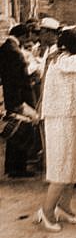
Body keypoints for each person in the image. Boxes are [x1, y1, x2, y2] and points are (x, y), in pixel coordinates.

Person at [34, 28, 76, 232]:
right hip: (61, 119)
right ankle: (47, 212)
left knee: (72, 166)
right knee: (62, 168)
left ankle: (64, 207)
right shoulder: (62, 59)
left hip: (70, 117)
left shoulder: (61, 56)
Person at [0, 24, 37, 178]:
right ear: (22, 36)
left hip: (10, 96)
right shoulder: (15, 52)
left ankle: (12, 166)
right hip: (18, 98)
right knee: (21, 131)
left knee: (14, 130)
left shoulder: (5, 48)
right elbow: (20, 80)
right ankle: (18, 168)